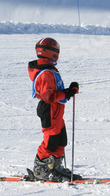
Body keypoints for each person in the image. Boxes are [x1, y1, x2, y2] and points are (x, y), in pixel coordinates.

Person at [28, 38, 81, 182]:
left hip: (56, 111)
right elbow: (48, 96)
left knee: (61, 140)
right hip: (50, 110)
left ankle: (55, 167)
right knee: (50, 142)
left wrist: (69, 91)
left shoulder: (49, 68)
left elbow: (53, 92)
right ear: (52, 53)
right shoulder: (46, 72)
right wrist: (68, 93)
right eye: (57, 51)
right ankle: (41, 170)